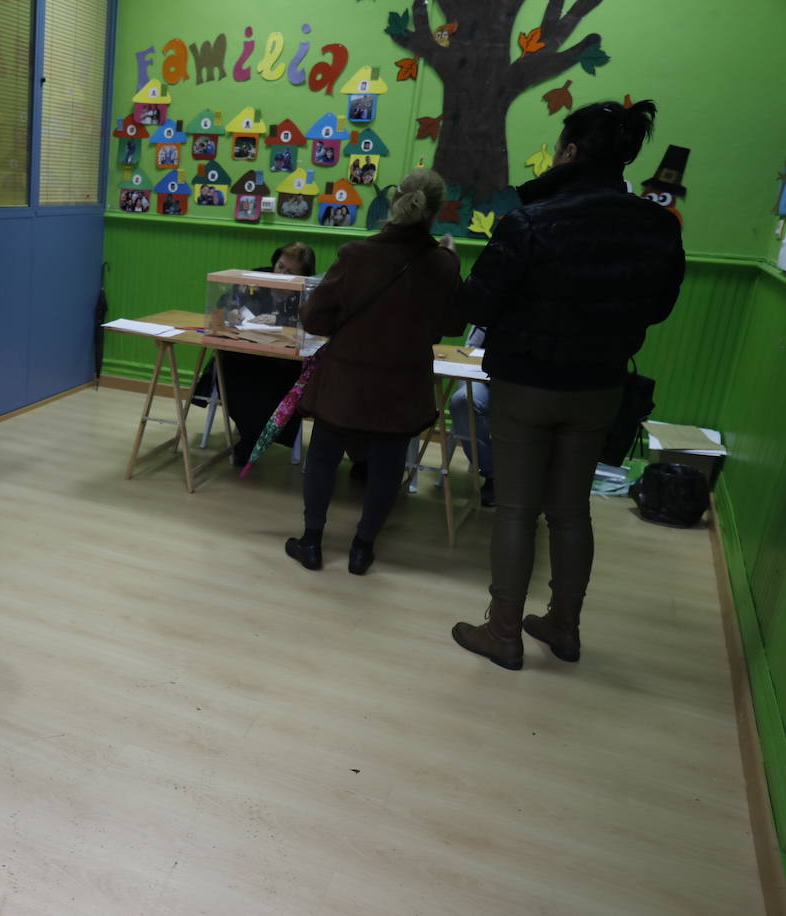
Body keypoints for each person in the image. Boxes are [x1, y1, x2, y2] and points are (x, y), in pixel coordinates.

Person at [451, 100, 684, 670]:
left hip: (525, 383)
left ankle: (503, 632)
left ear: (571, 152)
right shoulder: (656, 224)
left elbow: (479, 301)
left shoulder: (529, 220)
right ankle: (563, 627)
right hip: (600, 384)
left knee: (515, 509)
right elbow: (659, 308)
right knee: (571, 510)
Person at [284, 169, 464, 574]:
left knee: (324, 459)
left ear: (393, 200)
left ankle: (311, 542)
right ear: (435, 212)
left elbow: (313, 318)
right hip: (402, 386)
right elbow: (452, 324)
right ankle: (362, 550)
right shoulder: (442, 263)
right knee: (387, 467)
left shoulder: (356, 255)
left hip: (345, 381)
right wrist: (450, 260)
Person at [194, 242, 317, 467]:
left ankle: (255, 439)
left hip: (284, 362)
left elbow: (311, 326)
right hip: (246, 355)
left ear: (303, 274)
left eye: (291, 272)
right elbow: (226, 303)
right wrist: (231, 313)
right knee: (230, 370)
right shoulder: (257, 277)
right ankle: (250, 436)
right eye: (280, 267)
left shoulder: (306, 291)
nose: (282, 274)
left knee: (276, 384)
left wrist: (282, 322)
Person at [447, 325, 494, 506]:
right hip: (485, 374)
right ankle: (494, 474)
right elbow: (468, 351)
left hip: (525, 382)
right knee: (462, 402)